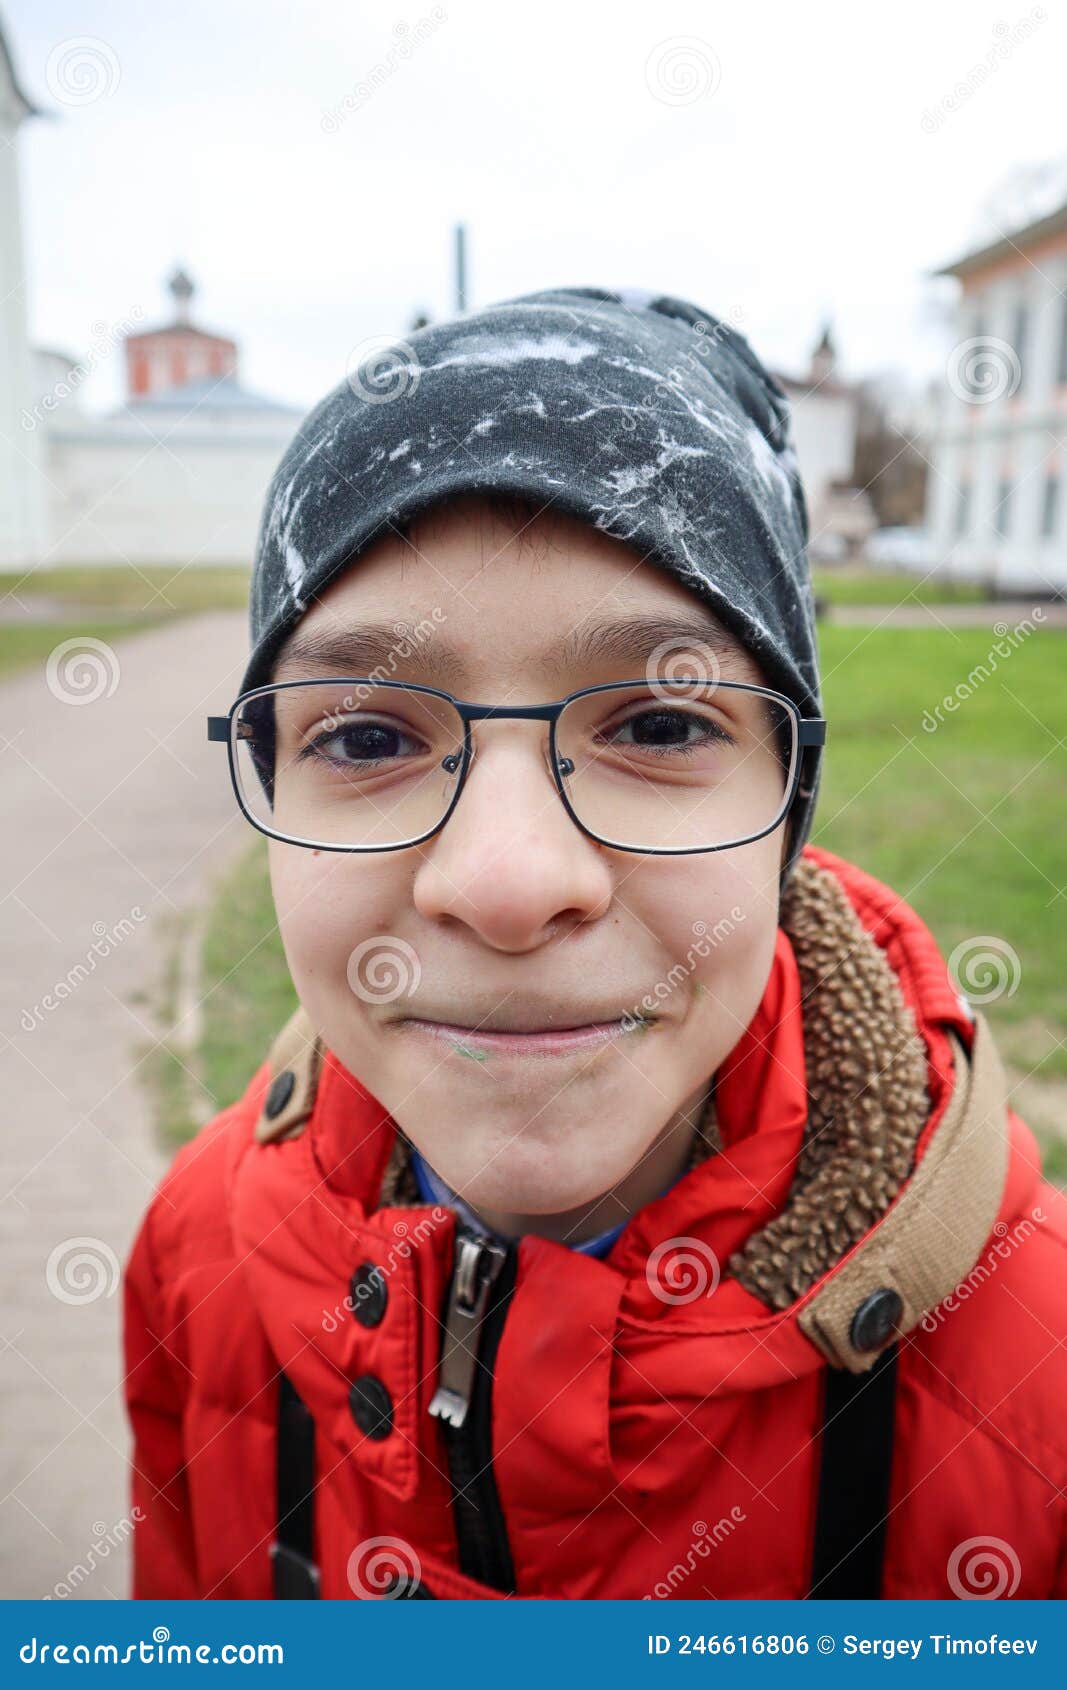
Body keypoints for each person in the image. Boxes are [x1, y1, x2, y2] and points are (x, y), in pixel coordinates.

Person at [122, 287, 1067, 1601]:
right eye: (369, 736)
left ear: (786, 815)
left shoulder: (1042, 1377)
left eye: (665, 726)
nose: (508, 884)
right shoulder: (194, 1257)